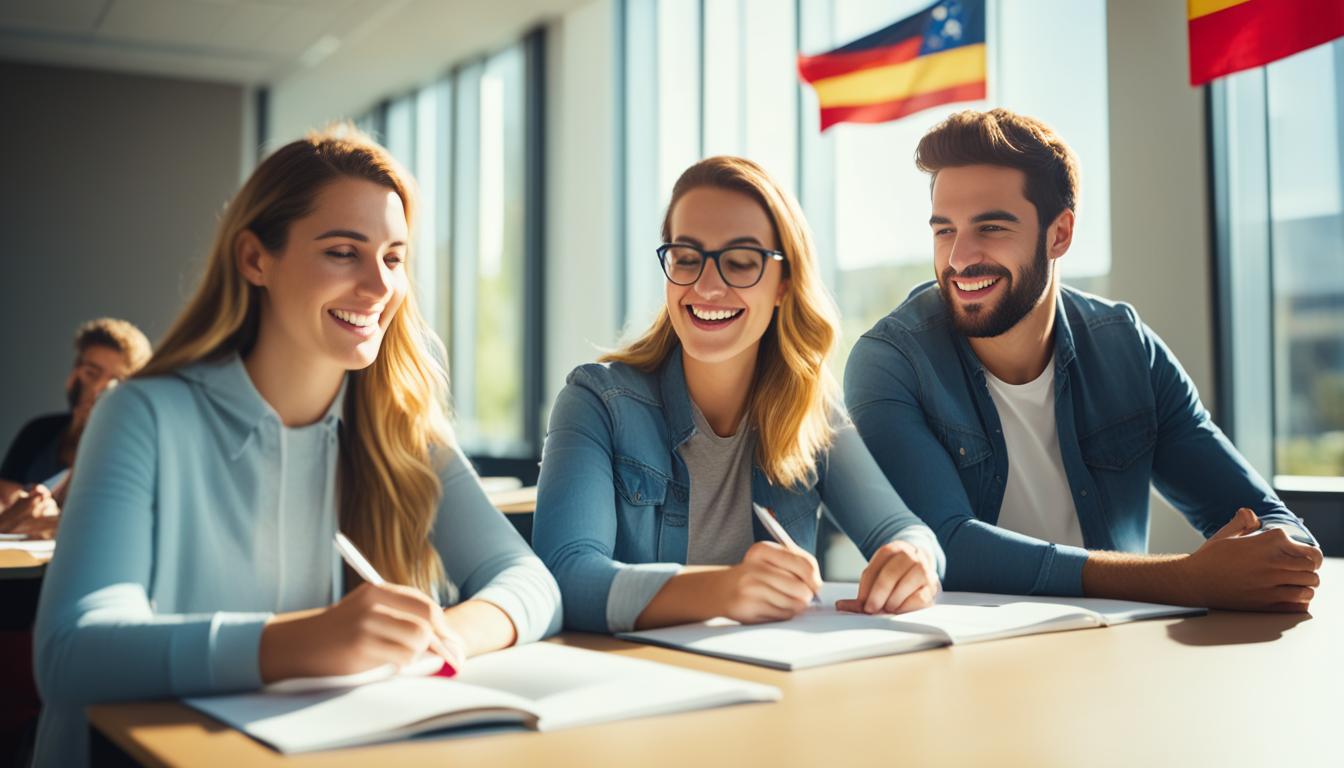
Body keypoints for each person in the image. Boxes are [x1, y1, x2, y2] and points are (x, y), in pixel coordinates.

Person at [32, 127, 561, 767]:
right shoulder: (140, 414)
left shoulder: (397, 427)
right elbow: (71, 653)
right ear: (256, 259)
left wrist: (437, 637)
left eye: (393, 258)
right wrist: (307, 642)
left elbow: (531, 583)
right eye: (344, 251)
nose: (378, 286)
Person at [844, 108, 1321, 611]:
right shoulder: (890, 361)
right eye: (944, 231)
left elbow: (1269, 518)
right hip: (962, 660)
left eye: (990, 227)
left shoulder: (1126, 348)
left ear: (1059, 234)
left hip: (1113, 653)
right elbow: (944, 547)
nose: (960, 258)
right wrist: (1184, 579)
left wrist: (1277, 555)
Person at [534, 156, 944, 634]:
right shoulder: (597, 402)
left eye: (740, 262)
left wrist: (914, 559)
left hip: (773, 684)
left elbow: (905, 531)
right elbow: (566, 576)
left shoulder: (808, 409)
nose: (707, 286)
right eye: (687, 258)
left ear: (783, 284)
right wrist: (724, 590)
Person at [1, 318, 151, 487]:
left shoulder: (135, 454)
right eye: (91, 373)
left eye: (116, 381)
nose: (97, 389)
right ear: (75, 373)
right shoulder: (38, 431)